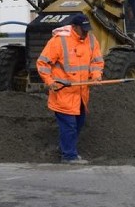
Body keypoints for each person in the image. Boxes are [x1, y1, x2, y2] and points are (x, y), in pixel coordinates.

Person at [36, 13, 104, 164]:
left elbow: (96, 61)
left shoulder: (91, 40)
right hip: (63, 93)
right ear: (74, 27)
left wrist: (96, 75)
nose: (86, 32)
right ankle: (69, 156)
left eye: (88, 29)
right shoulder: (59, 41)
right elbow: (43, 63)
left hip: (81, 94)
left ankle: (65, 148)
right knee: (69, 126)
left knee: (78, 124)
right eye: (83, 29)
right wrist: (49, 81)